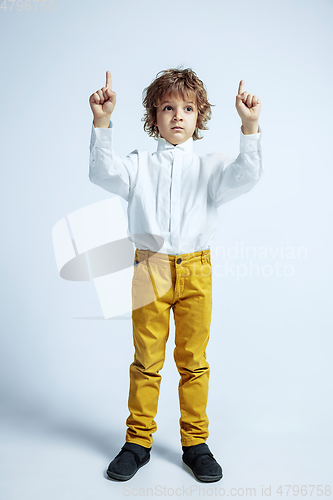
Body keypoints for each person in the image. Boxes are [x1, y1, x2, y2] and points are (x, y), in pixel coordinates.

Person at [88, 68, 263, 482]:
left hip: (196, 272)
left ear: (199, 115)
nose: (178, 116)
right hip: (150, 268)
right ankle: (138, 442)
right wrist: (101, 122)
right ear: (155, 115)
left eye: (188, 108)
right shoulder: (138, 165)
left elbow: (248, 174)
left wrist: (250, 126)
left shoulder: (212, 167)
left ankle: (195, 443)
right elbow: (100, 173)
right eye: (168, 107)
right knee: (147, 361)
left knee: (193, 363)